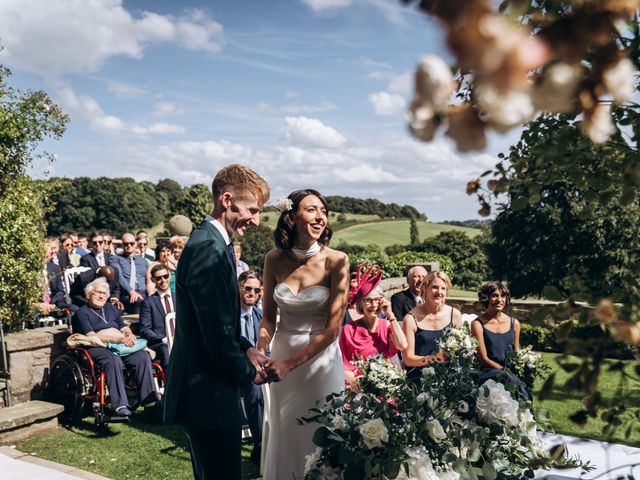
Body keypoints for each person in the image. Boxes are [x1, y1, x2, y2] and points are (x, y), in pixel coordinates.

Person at [163, 164, 271, 480]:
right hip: (205, 393)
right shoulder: (208, 248)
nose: (257, 219)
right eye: (252, 209)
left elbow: (219, 320)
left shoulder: (213, 241)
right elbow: (214, 335)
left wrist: (247, 348)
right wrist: (248, 372)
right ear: (227, 200)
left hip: (208, 390)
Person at [258, 189, 349, 480]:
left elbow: (332, 329)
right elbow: (268, 318)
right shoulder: (273, 259)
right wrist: (262, 349)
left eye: (323, 211)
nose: (320, 216)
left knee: (319, 432)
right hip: (281, 355)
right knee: (286, 429)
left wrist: (289, 363)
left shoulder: (337, 261)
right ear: (292, 216)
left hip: (319, 359)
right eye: (311, 210)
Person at [71, 278, 161, 418]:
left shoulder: (110, 308)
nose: (102, 296)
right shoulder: (81, 313)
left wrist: (129, 334)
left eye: (105, 293)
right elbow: (92, 336)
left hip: (120, 345)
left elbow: (123, 326)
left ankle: (150, 403)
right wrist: (117, 338)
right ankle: (120, 405)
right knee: (113, 360)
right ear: (88, 294)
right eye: (97, 292)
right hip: (96, 346)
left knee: (142, 357)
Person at [340, 263, 408, 392]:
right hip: (357, 387)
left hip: (384, 386)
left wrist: (390, 315)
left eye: (377, 300)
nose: (373, 305)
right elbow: (344, 365)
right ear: (361, 303)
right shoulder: (349, 329)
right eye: (368, 300)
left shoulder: (386, 326)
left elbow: (402, 345)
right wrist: (355, 382)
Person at [471, 281, 530, 400]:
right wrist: (504, 372)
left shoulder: (515, 324)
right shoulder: (477, 324)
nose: (499, 300)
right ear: (486, 298)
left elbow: (516, 353)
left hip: (509, 372)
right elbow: (483, 358)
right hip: (487, 371)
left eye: (502, 296)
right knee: (512, 381)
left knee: (519, 381)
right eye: (494, 295)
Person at [402, 271, 462, 383]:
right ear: (425, 288)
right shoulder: (410, 319)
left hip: (448, 378)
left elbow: (460, 351)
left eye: (443, 288)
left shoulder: (455, 315)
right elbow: (408, 359)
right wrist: (435, 359)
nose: (439, 292)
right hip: (419, 379)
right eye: (434, 287)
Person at [237, 269, 265, 465]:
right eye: (247, 288)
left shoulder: (260, 315)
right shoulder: (229, 316)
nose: (252, 294)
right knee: (254, 388)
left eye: (257, 290)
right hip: (238, 368)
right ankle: (261, 443)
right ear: (239, 288)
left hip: (261, 366)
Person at [138, 264, 174, 370]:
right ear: (153, 280)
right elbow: (145, 330)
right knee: (166, 349)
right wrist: (164, 339)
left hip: (180, 340)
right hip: (160, 343)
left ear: (169, 276)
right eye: (158, 278)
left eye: (165, 276)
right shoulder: (148, 303)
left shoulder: (179, 298)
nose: (163, 280)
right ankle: (171, 384)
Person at [112, 232, 148, 313]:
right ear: (122, 245)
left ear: (135, 244)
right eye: (126, 244)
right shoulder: (115, 259)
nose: (129, 246)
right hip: (126, 293)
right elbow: (119, 276)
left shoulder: (143, 261)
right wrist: (131, 291)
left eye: (131, 243)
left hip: (143, 293)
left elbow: (148, 278)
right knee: (138, 302)